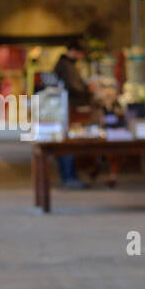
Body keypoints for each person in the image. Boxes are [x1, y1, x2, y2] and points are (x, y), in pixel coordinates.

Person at [52, 41, 91, 188]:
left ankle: (68, 176)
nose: (80, 57)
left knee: (66, 142)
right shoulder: (66, 66)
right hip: (69, 108)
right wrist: (88, 90)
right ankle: (69, 177)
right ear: (74, 51)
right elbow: (75, 87)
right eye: (80, 54)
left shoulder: (63, 64)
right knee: (68, 142)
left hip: (66, 108)